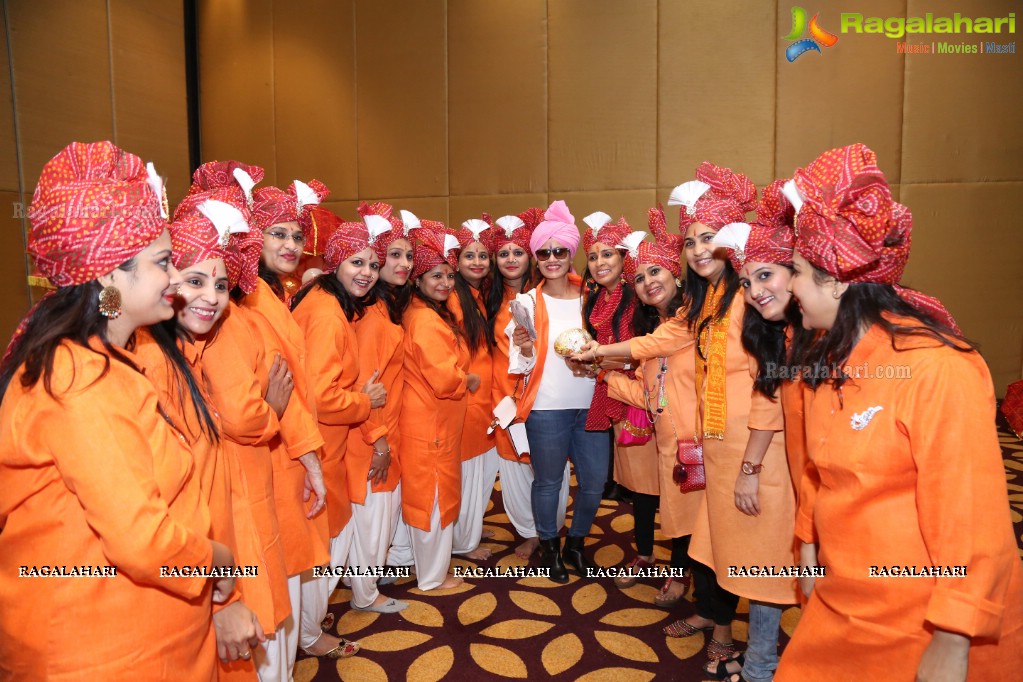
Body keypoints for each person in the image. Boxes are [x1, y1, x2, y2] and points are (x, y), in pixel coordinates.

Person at [775, 143, 1023, 681]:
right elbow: (817, 472)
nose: (789, 286)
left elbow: (974, 520)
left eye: (795, 270)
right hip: (847, 596)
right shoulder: (823, 361)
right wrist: (810, 546)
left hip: (923, 619)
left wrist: (954, 639)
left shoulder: (936, 369)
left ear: (836, 279)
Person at [0, 141, 234, 681]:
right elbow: (143, 540)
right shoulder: (78, 377)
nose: (175, 279)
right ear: (108, 277)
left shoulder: (106, 358)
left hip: (142, 636)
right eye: (162, 263)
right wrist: (221, 560)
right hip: (98, 650)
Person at [576, 164, 798, 669]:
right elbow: (658, 342)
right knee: (718, 548)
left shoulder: (751, 297)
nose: (699, 250)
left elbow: (773, 385)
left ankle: (759, 662)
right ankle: (721, 625)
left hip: (756, 453)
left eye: (709, 238)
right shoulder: (706, 302)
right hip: (716, 448)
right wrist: (599, 354)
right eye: (692, 240)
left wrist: (751, 466)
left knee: (762, 561)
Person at [142, 194, 271, 672]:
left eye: (220, 284)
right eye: (194, 281)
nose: (213, 298)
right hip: (184, 581)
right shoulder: (152, 365)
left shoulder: (184, 356)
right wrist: (220, 598)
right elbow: (156, 511)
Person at [292, 212, 392, 649]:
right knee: (324, 547)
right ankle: (310, 637)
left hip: (318, 445)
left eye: (373, 264)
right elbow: (319, 395)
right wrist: (363, 401)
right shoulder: (329, 314)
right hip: (317, 447)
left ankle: (307, 627)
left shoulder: (325, 303)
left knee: (325, 545)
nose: (367, 273)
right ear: (334, 262)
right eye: (357, 262)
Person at [602, 214, 703, 609]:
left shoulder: (690, 320)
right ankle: (657, 561)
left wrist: (600, 358)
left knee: (685, 508)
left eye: (655, 271)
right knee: (663, 503)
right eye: (640, 278)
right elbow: (651, 396)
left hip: (693, 437)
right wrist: (606, 377)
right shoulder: (653, 329)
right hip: (662, 434)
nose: (648, 283)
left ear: (676, 275)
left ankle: (682, 575)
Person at [508, 200, 610, 583]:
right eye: (544, 252)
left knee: (595, 481)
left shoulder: (594, 295)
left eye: (560, 250)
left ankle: (577, 545)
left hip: (592, 404)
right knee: (549, 481)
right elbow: (517, 365)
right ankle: (549, 547)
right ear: (536, 257)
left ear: (572, 253)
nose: (552, 258)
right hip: (547, 407)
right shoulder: (526, 302)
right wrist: (523, 345)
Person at [580, 212, 661, 590]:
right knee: (641, 484)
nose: (600, 263)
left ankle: (681, 567)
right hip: (617, 396)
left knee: (674, 483)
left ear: (623, 258)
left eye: (607, 254)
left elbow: (649, 350)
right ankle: (645, 553)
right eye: (593, 256)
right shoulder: (595, 301)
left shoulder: (640, 297)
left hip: (650, 397)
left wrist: (604, 359)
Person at [398, 221, 477, 590]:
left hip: (433, 422)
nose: (445, 283)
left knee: (427, 495)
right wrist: (468, 379)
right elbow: (445, 380)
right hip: (430, 424)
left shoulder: (427, 312)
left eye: (448, 275)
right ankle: (432, 576)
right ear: (418, 280)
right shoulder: (426, 320)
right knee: (432, 497)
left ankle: (426, 567)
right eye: (435, 276)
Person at [486, 210, 569, 560]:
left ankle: (549, 528)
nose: (510, 259)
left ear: (530, 256)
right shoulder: (487, 296)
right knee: (516, 464)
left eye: (517, 252)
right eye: (503, 253)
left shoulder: (552, 291)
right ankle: (530, 530)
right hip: (504, 392)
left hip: (547, 393)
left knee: (552, 466)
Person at [449, 217, 500, 561]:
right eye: (470, 256)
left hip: (485, 402)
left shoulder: (479, 295)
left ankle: (471, 528)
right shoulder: (453, 297)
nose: (478, 262)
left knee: (481, 471)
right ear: (456, 260)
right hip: (466, 400)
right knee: (466, 475)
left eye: (483, 255)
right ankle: (464, 543)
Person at [252, 180, 329, 304]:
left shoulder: (275, 292)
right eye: (279, 234)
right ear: (254, 236)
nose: (292, 246)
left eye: (297, 238)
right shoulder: (251, 296)